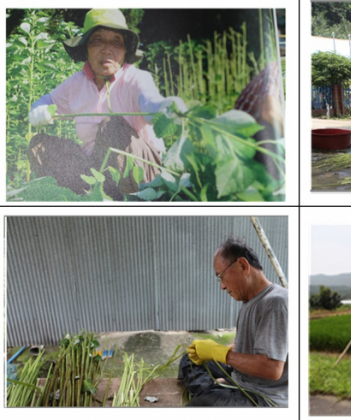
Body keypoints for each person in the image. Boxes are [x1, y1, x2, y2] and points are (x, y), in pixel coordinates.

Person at [27, 9, 187, 199]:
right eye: (97, 40)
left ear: (125, 49)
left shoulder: (136, 79)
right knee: (40, 146)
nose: (107, 49)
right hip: (95, 170)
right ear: (86, 47)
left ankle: (129, 204)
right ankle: (79, 200)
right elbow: (46, 101)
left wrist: (166, 108)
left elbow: (150, 103)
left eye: (116, 42)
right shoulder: (76, 84)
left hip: (142, 171)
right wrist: (39, 111)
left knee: (112, 127)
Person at [178, 237, 288, 407]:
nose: (222, 286)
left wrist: (221, 353)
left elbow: (272, 369)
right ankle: (214, 389)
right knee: (190, 359)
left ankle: (213, 391)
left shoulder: (275, 302)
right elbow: (244, 347)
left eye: (221, 276)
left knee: (199, 406)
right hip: (240, 376)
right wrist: (213, 349)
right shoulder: (248, 300)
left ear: (243, 266)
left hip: (262, 396)